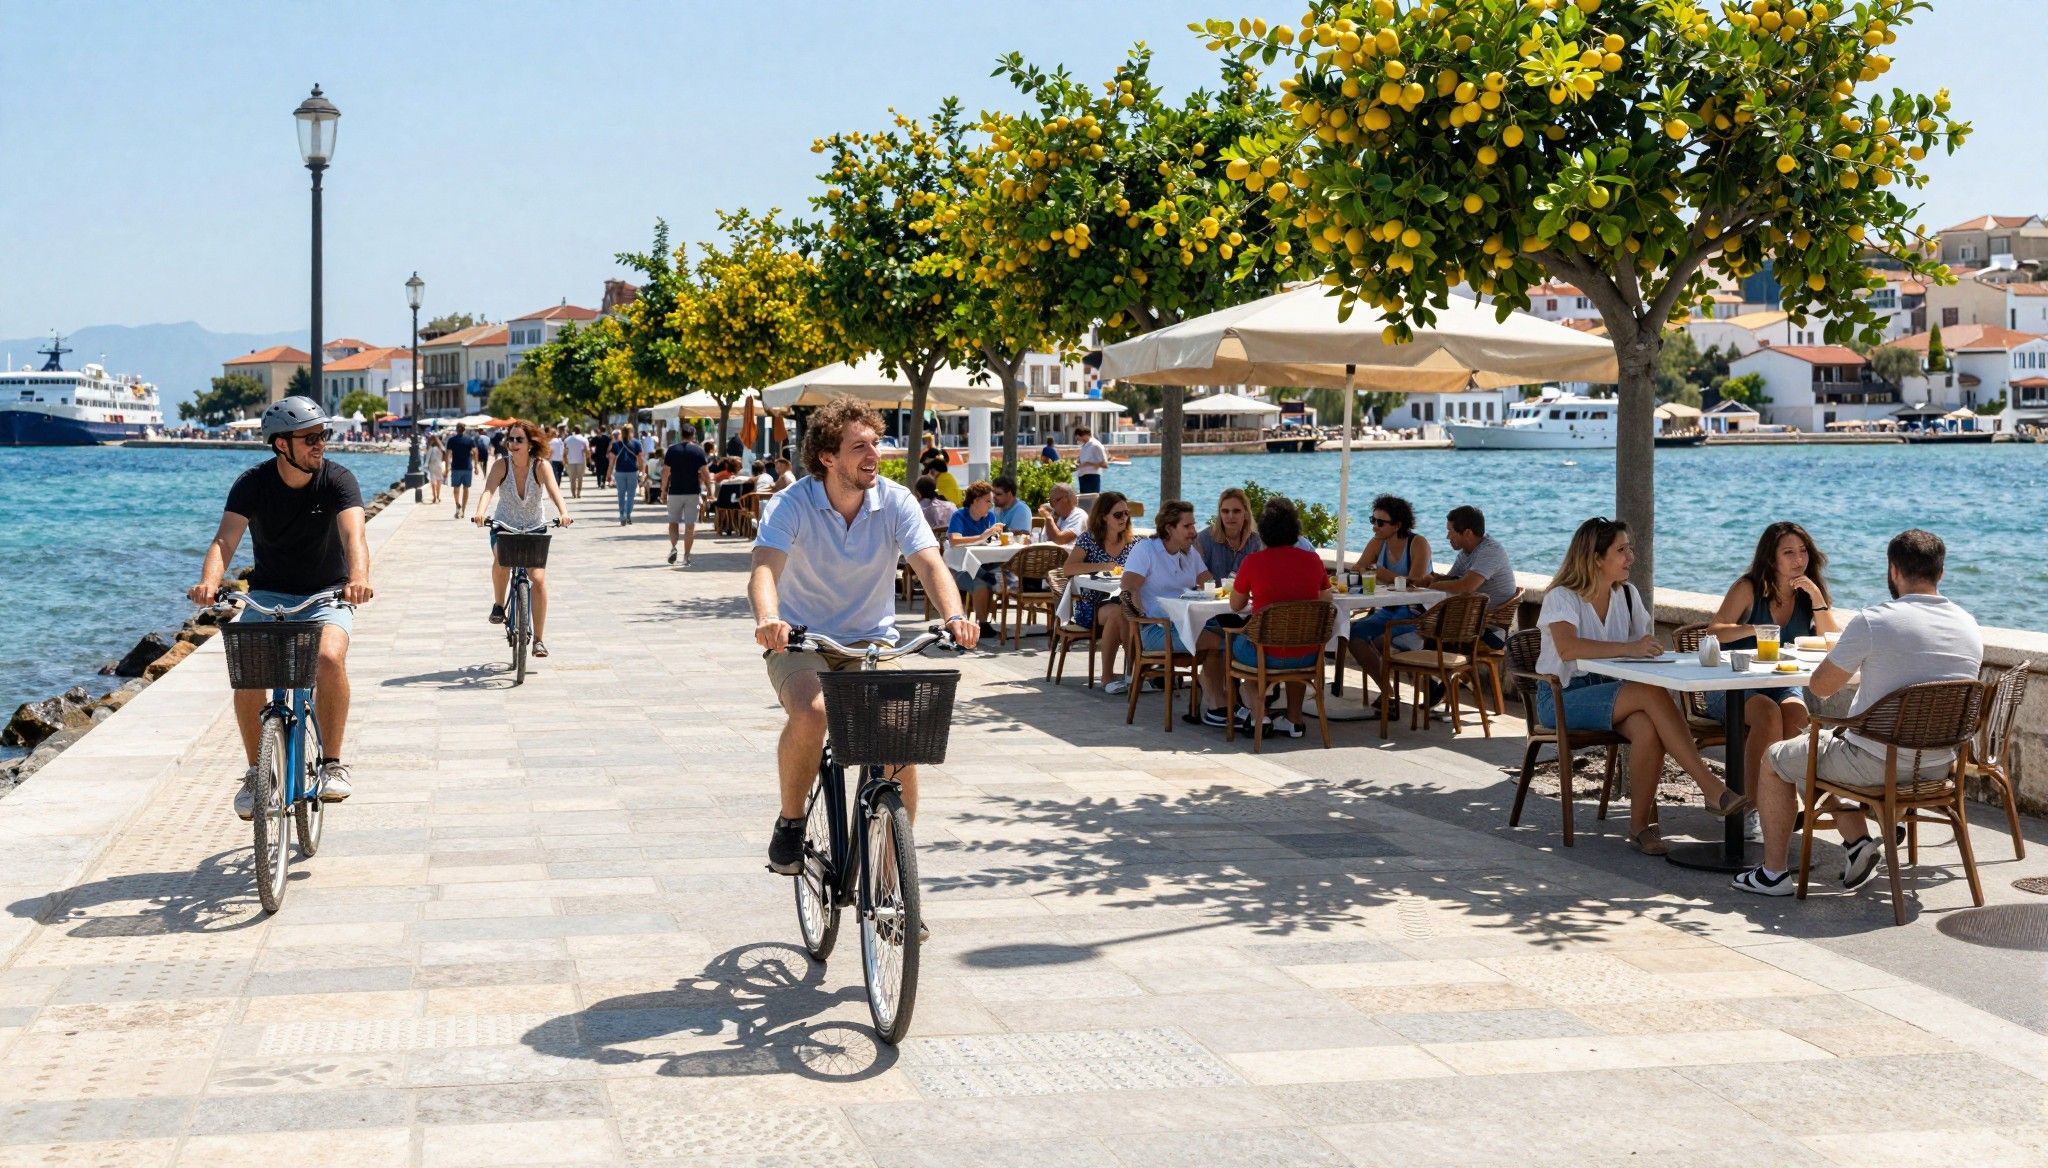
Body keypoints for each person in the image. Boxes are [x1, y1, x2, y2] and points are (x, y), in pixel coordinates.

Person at [750, 396, 978, 876]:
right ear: (827, 457)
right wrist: (769, 619)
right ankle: (791, 822)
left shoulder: (895, 501)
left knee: (899, 738)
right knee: (813, 713)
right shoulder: (791, 503)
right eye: (860, 446)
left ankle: (895, 880)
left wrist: (955, 616)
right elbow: (764, 569)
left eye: (876, 442)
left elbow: (929, 563)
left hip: (872, 642)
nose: (874, 453)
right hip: (800, 640)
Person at [1734, 529, 1980, 898]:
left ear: (1893, 570)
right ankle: (1857, 844)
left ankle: (1773, 873)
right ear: (1940, 573)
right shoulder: (1968, 624)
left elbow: (1821, 686)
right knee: (1809, 752)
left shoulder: (1875, 620)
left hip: (1876, 763)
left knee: (1777, 759)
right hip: (1937, 766)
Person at [188, 396, 372, 818]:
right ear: (281, 445)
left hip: (327, 594)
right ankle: (257, 774)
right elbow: (225, 540)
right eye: (310, 437)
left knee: (328, 658)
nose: (320, 444)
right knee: (248, 669)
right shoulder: (252, 484)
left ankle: (332, 764)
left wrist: (358, 579)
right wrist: (209, 582)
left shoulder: (338, 479)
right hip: (268, 594)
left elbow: (354, 537)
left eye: (323, 435)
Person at [1537, 518, 1749, 856]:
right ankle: (1710, 786)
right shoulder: (1562, 597)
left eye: (1629, 548)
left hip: (1614, 691)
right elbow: (1568, 648)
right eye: (1621, 550)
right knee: (1651, 694)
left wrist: (1650, 651)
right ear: (1595, 558)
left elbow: (1640, 650)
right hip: (1563, 696)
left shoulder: (1627, 596)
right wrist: (1630, 648)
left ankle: (1639, 828)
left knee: (1648, 729)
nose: (1631, 557)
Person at [1704, 522, 1845, 818]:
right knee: (1768, 714)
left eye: (1803, 551)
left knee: (1798, 717)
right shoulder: (1748, 588)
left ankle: (1788, 806)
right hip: (1730, 685)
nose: (1798, 559)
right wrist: (1753, 628)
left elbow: (1831, 641)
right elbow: (1714, 631)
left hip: (1780, 682)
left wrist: (1818, 598)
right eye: (1789, 552)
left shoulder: (1806, 594)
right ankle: (1752, 809)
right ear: (1771, 558)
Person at [1228, 497, 1331, 738]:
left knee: (1236, 644)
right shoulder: (1312, 560)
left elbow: (1235, 605)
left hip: (1267, 655)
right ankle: (1294, 720)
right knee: (1295, 641)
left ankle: (1260, 716)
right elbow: (1326, 600)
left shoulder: (1253, 562)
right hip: (1308, 654)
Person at [1122, 500, 1232, 724]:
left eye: (1194, 525)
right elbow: (1129, 586)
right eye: (1187, 526)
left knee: (1230, 635)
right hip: (1156, 630)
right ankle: (1217, 702)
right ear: (1170, 528)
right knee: (1221, 642)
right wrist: (1142, 618)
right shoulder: (1146, 550)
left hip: (1187, 623)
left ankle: (1216, 701)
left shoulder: (1190, 553)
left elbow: (1210, 585)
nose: (1194, 531)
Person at [472, 419, 573, 656]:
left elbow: (554, 491)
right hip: (504, 525)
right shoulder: (501, 466)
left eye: (519, 439)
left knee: (538, 579)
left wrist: (564, 513)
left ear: (530, 444)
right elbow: (488, 490)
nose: (514, 443)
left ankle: (539, 640)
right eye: (511, 439)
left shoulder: (541, 466)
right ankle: (499, 605)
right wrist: (480, 512)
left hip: (534, 527)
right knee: (501, 561)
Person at [1416, 505, 1519, 708]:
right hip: (1469, 621)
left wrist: (1434, 586)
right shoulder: (1466, 553)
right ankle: (1441, 687)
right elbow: (1453, 579)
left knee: (1431, 633)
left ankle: (1441, 688)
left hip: (1490, 630)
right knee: (1424, 629)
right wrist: (1435, 578)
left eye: (1450, 531)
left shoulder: (1490, 551)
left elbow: (1465, 586)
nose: (1447, 536)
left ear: (1468, 533)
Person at [1344, 495, 1431, 716]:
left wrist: (1384, 575)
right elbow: (1357, 569)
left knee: (1377, 639)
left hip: (1416, 613)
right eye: (1372, 520)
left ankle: (1411, 689)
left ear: (1398, 525)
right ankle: (1388, 692)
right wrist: (1370, 572)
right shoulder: (1377, 542)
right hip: (1388, 610)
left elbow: (1417, 582)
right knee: (1353, 635)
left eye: (1381, 522)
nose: (1375, 526)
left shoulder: (1417, 543)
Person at [1061, 491, 1139, 690]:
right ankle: (1109, 676)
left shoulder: (1133, 542)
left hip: (1124, 599)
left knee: (1126, 612)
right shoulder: (1089, 539)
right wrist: (1102, 566)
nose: (1124, 518)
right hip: (1091, 603)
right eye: (1118, 514)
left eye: (1126, 513)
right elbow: (1068, 569)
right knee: (1118, 613)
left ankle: (1134, 672)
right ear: (1104, 516)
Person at [947, 481, 1005, 639]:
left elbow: (991, 542)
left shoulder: (990, 517)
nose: (991, 505)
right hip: (960, 567)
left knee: (1001, 578)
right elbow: (954, 540)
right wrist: (981, 537)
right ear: (976, 500)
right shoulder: (960, 515)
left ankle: (985, 622)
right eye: (988, 501)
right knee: (981, 583)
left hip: (985, 565)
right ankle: (983, 625)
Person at [660, 424, 711, 566]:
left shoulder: (672, 450)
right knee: (690, 526)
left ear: (680, 434)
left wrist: (663, 490)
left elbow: (665, 472)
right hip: (692, 492)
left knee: (673, 522)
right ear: (693, 435)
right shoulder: (698, 451)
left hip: (675, 491)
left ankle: (673, 547)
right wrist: (709, 489)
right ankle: (686, 556)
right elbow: (705, 473)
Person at [1195, 487, 1263, 581]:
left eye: (1236, 511)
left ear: (1246, 513)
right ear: (1220, 514)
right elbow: (1198, 577)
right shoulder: (1203, 539)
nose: (1230, 516)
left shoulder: (1256, 542)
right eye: (1225, 511)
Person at [446, 422, 480, 518]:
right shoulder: (470, 440)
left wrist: (446, 468)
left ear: (456, 429)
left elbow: (447, 455)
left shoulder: (451, 440)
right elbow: (475, 452)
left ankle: (457, 504)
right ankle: (463, 510)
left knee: (456, 488)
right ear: (464, 429)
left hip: (456, 468)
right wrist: (476, 466)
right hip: (467, 467)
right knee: (466, 488)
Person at [1036, 482, 1086, 546]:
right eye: (1050, 501)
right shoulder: (1060, 515)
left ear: (1066, 499)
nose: (1052, 505)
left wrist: (1048, 517)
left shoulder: (1079, 515)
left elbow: (1060, 540)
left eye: (1054, 501)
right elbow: (1043, 506)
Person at [612, 427, 643, 524]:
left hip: (619, 472)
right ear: (631, 432)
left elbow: (612, 460)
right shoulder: (637, 443)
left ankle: (622, 515)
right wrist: (642, 471)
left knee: (621, 494)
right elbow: (640, 458)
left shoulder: (616, 444)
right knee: (631, 495)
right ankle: (627, 514)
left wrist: (608, 473)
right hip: (632, 472)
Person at [1074, 426, 1109, 495]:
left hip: (1091, 477)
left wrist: (1088, 464)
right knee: (1084, 500)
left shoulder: (1096, 445)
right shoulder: (1085, 445)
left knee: (1092, 499)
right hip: (1083, 477)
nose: (1077, 439)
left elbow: (1105, 465)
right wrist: (1077, 462)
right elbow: (1082, 460)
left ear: (1084, 435)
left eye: (1078, 437)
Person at [563, 429, 589, 499]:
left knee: (572, 479)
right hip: (581, 461)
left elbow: (565, 452)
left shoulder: (567, 439)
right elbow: (587, 450)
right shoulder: (584, 439)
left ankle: (573, 494)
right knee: (580, 478)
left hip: (571, 461)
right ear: (580, 431)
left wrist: (565, 461)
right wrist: (588, 459)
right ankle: (579, 493)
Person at [424, 432, 446, 505]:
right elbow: (444, 454)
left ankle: (434, 497)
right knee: (439, 481)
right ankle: (438, 496)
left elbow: (427, 458)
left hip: (432, 466)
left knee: (433, 481)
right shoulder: (441, 448)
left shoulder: (430, 448)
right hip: (439, 465)